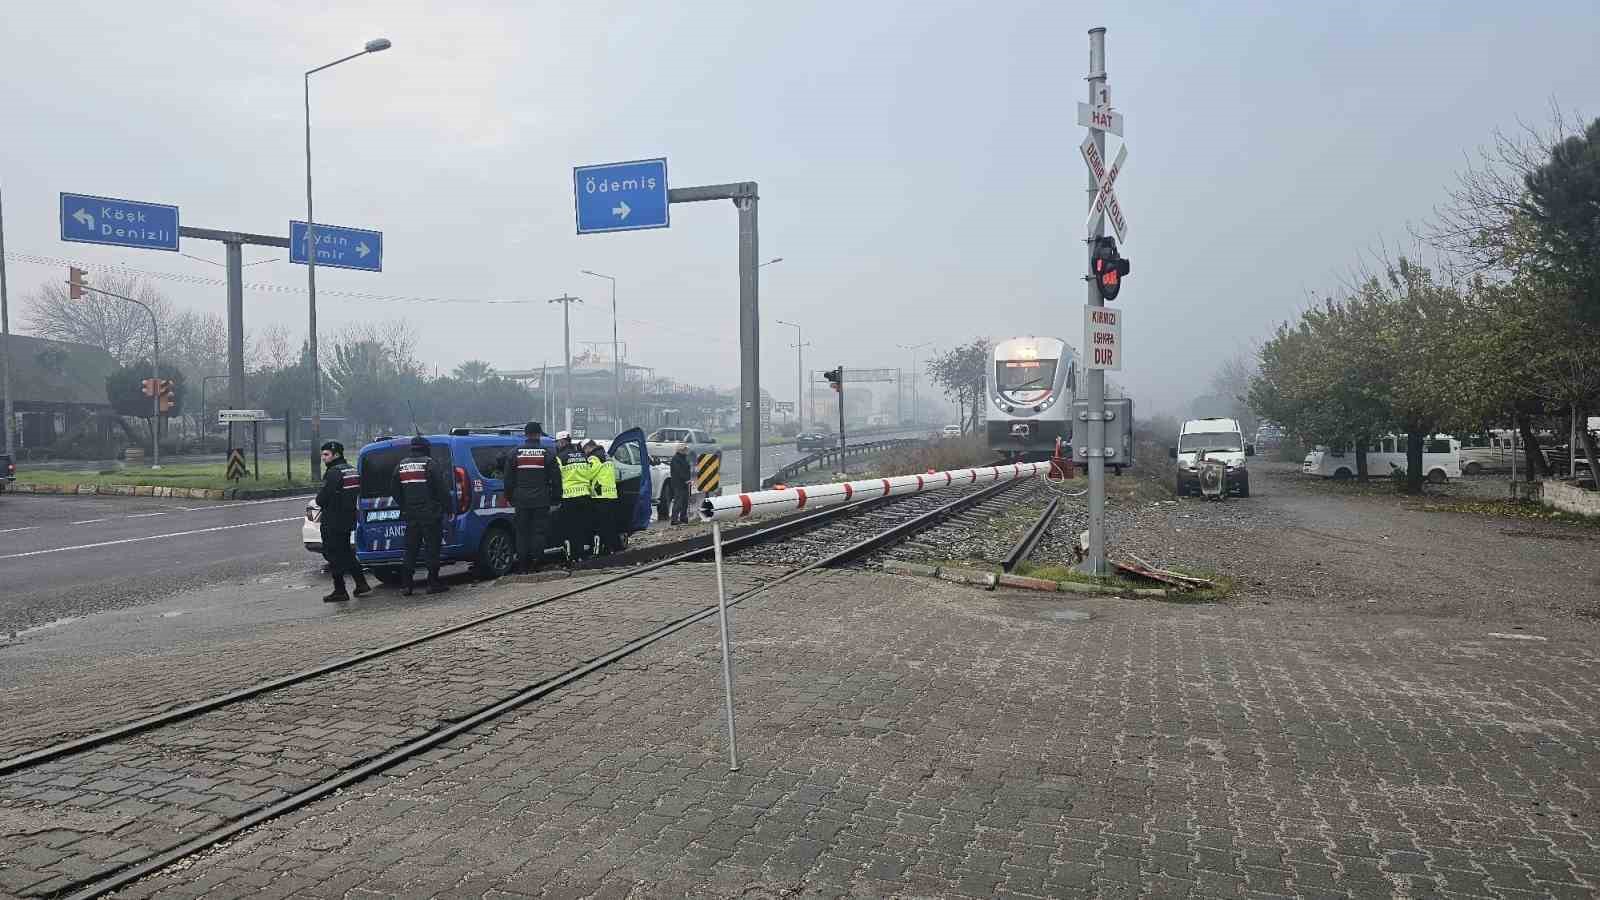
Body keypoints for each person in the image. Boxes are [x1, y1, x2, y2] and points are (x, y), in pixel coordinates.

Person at [389, 435, 451, 595]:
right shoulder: (430, 464)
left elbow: (395, 491)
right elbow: (442, 490)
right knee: (432, 548)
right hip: (430, 514)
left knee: (411, 549)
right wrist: (447, 507)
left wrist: (404, 506)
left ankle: (406, 585)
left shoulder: (401, 466)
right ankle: (433, 583)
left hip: (410, 514)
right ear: (426, 448)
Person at [316, 440, 371, 602]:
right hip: (347, 518)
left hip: (333, 520)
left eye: (326, 455)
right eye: (322, 455)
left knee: (333, 555)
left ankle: (340, 590)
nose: (323, 458)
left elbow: (322, 498)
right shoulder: (352, 470)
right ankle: (361, 584)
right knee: (347, 552)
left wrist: (321, 499)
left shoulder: (333, 472)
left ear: (336, 455)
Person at [503, 421, 560, 574]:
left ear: (525, 434)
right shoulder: (547, 454)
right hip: (541, 500)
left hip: (521, 501)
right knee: (538, 532)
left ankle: (523, 565)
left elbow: (508, 481)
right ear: (539, 434)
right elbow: (556, 480)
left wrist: (511, 498)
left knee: (522, 533)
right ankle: (537, 563)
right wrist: (555, 499)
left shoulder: (514, 453)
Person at [554, 430, 593, 563]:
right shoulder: (582, 455)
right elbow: (589, 474)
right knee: (582, 527)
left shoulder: (560, 458)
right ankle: (582, 555)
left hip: (569, 497)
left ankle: (573, 557)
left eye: (558, 442)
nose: (557, 445)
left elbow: (556, 479)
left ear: (562, 442)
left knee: (570, 529)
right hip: (585, 496)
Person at [587, 440, 621, 555]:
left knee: (602, 524)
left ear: (589, 448)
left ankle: (605, 549)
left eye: (585, 450)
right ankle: (615, 546)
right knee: (611, 522)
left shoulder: (594, 458)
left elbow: (589, 474)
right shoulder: (607, 456)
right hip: (611, 494)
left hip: (600, 495)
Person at [669, 442, 693, 525]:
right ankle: (674, 519)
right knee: (678, 501)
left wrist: (688, 479)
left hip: (685, 483)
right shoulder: (676, 459)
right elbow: (679, 472)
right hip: (678, 484)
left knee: (685, 502)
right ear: (681, 450)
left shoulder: (683, 458)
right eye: (685, 449)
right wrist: (687, 479)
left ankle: (683, 517)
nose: (687, 451)